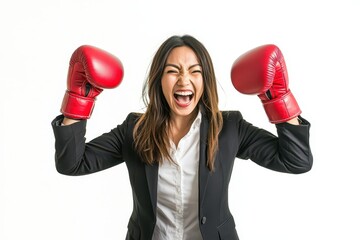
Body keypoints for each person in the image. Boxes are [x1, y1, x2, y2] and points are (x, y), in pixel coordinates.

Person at [51, 35, 313, 240]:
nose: (184, 80)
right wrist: (79, 100)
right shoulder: (134, 129)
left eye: (195, 71)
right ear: (159, 80)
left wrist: (277, 98)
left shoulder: (229, 127)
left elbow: (296, 161)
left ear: (205, 79)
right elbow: (72, 163)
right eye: (173, 71)